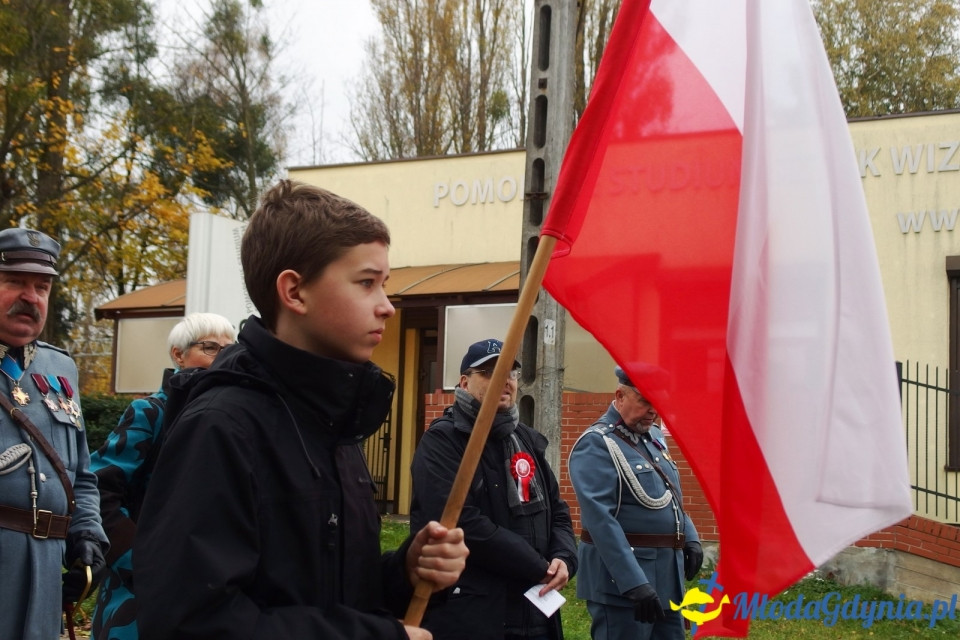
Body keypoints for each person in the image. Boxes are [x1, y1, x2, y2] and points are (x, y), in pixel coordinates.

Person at [133, 179, 468, 640]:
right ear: (294, 292)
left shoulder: (332, 422)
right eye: (366, 283)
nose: (387, 307)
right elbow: (189, 622)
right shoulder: (220, 427)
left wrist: (404, 571)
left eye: (384, 285)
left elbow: (329, 592)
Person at [410, 338, 578, 640]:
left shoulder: (527, 439)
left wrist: (563, 558)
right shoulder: (444, 440)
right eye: (489, 372)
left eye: (510, 373)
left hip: (536, 612)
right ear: (464, 382)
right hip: (474, 611)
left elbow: (557, 510)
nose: (504, 380)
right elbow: (460, 523)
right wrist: (536, 566)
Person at [89, 312, 237, 639]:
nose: (221, 359)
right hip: (138, 602)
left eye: (229, 351)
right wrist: (140, 565)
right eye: (211, 348)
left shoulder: (232, 419)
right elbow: (98, 491)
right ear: (178, 354)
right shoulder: (150, 413)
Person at [0, 228, 108, 639]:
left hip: (46, 570)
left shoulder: (60, 369)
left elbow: (80, 472)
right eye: (15, 283)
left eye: (41, 287)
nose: (31, 297)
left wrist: (88, 537)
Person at [568, 366, 703, 640]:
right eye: (645, 401)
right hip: (623, 585)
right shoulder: (597, 444)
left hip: (667, 578)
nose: (653, 410)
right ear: (620, 396)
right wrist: (633, 582)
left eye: (659, 402)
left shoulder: (654, 439)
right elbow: (600, 521)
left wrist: (691, 537)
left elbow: (670, 494)